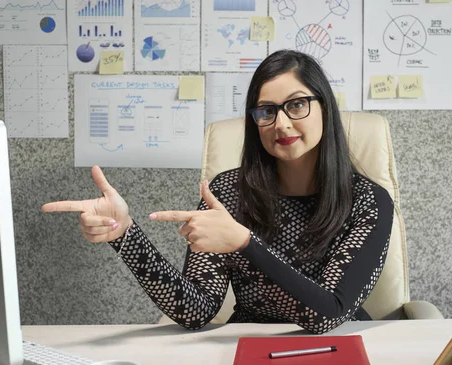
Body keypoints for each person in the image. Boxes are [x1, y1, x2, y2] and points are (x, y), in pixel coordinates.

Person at [42, 50, 394, 334]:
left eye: (297, 105)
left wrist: (245, 244)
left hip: (341, 350)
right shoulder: (229, 191)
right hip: (246, 349)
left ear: (325, 108)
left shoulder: (368, 201)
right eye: (266, 111)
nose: (282, 123)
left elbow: (326, 315)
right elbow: (195, 310)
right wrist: (125, 235)